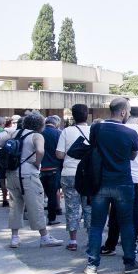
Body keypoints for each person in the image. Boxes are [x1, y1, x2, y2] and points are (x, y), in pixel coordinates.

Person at [84, 97, 138, 274]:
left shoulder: (97, 128)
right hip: (123, 183)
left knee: (96, 225)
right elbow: (133, 156)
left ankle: (92, 265)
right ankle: (129, 262)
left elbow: (92, 148)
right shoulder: (130, 133)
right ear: (123, 112)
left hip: (100, 182)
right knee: (126, 224)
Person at [0, 112, 63, 248]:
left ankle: (14, 237)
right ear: (40, 124)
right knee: (36, 205)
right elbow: (40, 151)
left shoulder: (13, 133)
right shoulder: (36, 136)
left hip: (12, 173)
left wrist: (5, 158)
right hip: (28, 174)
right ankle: (44, 237)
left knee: (15, 206)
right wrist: (37, 163)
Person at [101, 106, 138, 254]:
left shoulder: (120, 129)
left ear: (128, 115)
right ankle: (131, 246)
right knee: (135, 211)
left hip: (120, 175)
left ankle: (110, 245)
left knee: (115, 211)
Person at [56, 104, 93, 252]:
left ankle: (73, 241)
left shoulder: (66, 131)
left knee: (72, 207)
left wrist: (71, 155)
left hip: (69, 173)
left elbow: (59, 154)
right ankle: (92, 239)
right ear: (87, 115)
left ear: (73, 115)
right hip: (88, 174)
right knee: (89, 207)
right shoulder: (93, 130)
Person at [39, 115, 63, 225]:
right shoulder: (58, 133)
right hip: (54, 167)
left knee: (39, 194)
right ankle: (52, 218)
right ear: (57, 123)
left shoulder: (38, 133)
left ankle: (38, 218)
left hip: (39, 167)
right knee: (52, 194)